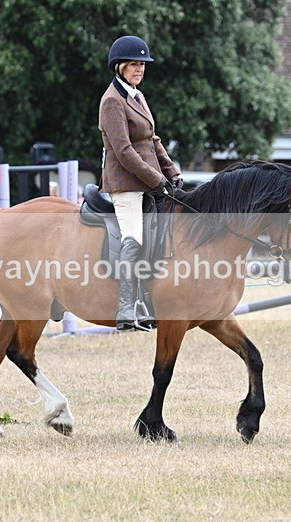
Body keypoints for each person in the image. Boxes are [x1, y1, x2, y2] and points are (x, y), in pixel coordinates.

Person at [98, 35, 181, 331]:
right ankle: (125, 307)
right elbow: (124, 151)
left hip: (148, 181)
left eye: (143, 65)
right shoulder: (112, 101)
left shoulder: (137, 96)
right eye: (134, 64)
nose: (140, 69)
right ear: (119, 66)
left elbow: (151, 139)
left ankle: (149, 301)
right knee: (134, 237)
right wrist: (156, 178)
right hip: (125, 184)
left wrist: (171, 171)